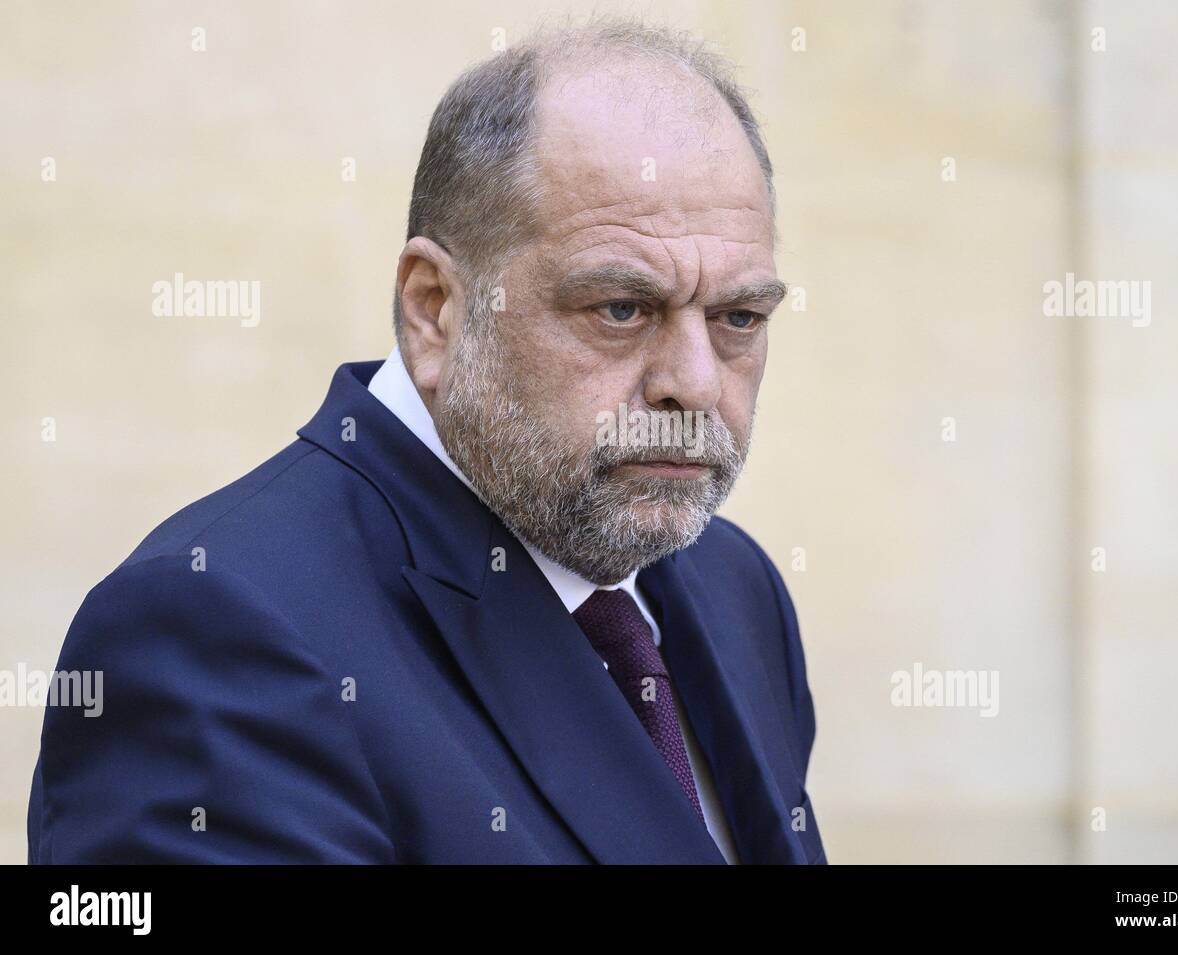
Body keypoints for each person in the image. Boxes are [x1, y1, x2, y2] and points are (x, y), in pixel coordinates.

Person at [28, 18, 825, 864]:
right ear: (436, 309)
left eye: (739, 316)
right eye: (621, 308)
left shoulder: (731, 586)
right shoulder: (214, 633)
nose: (695, 383)